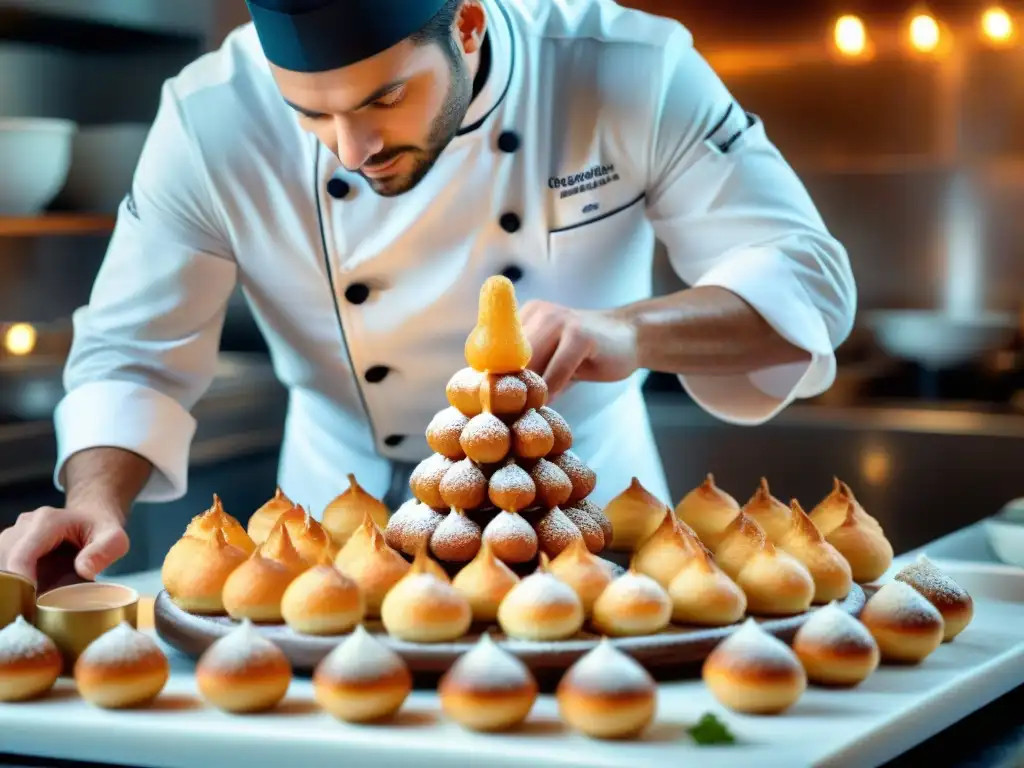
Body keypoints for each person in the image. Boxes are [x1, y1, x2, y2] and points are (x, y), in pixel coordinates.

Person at [0, 0, 856, 584]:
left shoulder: (627, 66)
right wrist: (92, 506)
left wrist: (629, 333)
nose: (351, 149)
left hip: (590, 520)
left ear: (471, 25)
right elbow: (132, 356)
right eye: (311, 114)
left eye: (385, 98)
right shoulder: (209, 117)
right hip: (336, 542)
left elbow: (807, 282)